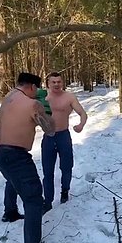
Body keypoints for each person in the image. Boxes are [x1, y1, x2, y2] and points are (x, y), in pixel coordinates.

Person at [0, 72, 56, 243]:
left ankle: (10, 212)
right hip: (15, 155)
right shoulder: (33, 104)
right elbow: (50, 130)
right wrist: (45, 108)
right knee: (34, 199)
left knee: (13, 179)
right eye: (37, 90)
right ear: (33, 87)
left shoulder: (10, 95)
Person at [40, 72, 88, 212]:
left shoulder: (69, 97)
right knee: (47, 172)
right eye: (53, 82)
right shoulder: (43, 98)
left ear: (62, 82)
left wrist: (81, 125)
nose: (56, 84)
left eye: (59, 82)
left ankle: (65, 191)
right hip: (48, 137)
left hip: (63, 136)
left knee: (66, 167)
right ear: (48, 83)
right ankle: (47, 201)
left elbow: (83, 113)